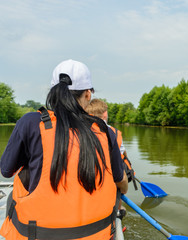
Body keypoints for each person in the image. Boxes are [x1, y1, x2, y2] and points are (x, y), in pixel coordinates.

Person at [0, 59, 128, 240]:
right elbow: (120, 180)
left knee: (17, 189)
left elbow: (6, 171)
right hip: (96, 235)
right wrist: (123, 188)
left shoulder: (30, 122)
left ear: (54, 92)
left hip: (37, 235)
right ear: (88, 94)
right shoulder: (105, 131)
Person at [86, 99, 137, 219]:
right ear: (104, 114)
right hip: (111, 176)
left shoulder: (80, 130)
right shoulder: (114, 132)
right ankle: (119, 209)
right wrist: (128, 164)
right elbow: (121, 154)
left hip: (90, 175)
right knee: (119, 183)